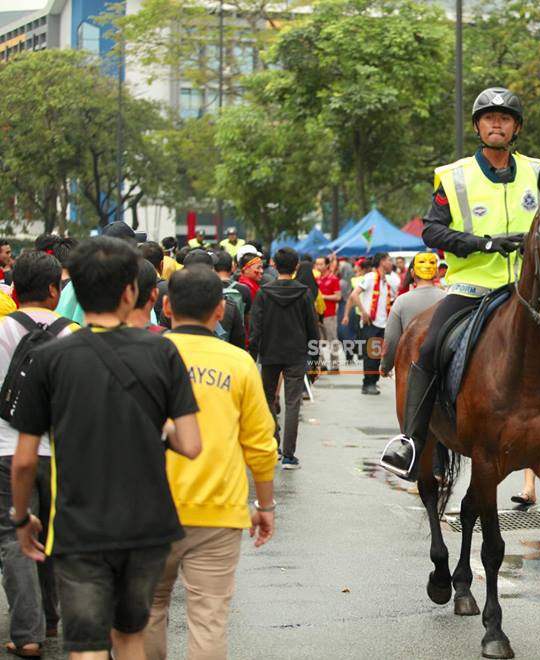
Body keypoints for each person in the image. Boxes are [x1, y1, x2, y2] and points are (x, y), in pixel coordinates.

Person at [378, 86, 540, 484]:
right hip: (470, 288)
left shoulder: (538, 172)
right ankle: (411, 439)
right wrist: (484, 244)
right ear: (478, 126)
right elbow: (433, 231)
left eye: (505, 118)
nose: (497, 123)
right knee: (428, 343)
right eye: (489, 118)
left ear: (516, 129)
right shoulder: (454, 176)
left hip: (529, 293)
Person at [9, 237, 201, 660]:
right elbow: (191, 444)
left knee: (87, 647)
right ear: (131, 291)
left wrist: (22, 518)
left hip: (80, 527)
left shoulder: (51, 359)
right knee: (129, 637)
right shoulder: (162, 351)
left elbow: (24, 461)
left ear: (72, 286)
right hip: (148, 525)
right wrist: (161, 427)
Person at [146, 266, 276, 660]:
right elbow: (260, 445)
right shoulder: (238, 363)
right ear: (221, 310)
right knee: (209, 619)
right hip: (219, 510)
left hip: (147, 509)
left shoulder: (143, 354)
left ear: (166, 306)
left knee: (147, 612)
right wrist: (265, 505)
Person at [0, 252, 76, 658]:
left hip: (5, 450)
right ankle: (52, 618)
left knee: (16, 534)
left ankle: (27, 634)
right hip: (58, 452)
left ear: (14, 289)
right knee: (51, 533)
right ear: (53, 290)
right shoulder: (74, 335)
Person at [249, 247, 320, 469]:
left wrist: (253, 354)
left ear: (274, 265)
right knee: (292, 403)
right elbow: (312, 328)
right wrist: (315, 358)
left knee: (268, 399)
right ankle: (289, 455)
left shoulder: (263, 293)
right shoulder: (305, 293)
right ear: (296, 266)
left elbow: (256, 328)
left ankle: (273, 442)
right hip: (296, 354)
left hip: (269, 352)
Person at [342, 252, 398, 395]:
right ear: (382, 262)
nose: (391, 263)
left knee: (378, 355)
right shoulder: (370, 277)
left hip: (384, 322)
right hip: (370, 322)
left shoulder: (389, 280)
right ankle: (368, 384)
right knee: (370, 354)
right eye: (389, 260)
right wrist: (364, 311)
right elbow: (354, 295)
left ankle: (373, 381)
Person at [381, 252, 446, 376]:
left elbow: (391, 341)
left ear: (412, 273)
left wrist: (386, 366)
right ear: (436, 273)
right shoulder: (448, 299)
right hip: (442, 368)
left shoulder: (401, 301)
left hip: (410, 369)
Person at [316, 256, 342, 372]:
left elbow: (338, 296)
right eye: (317, 264)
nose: (319, 266)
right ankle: (321, 364)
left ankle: (335, 365)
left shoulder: (333, 279)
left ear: (327, 265)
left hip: (329, 314)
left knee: (332, 340)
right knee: (318, 340)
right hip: (318, 314)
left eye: (321, 264)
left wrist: (323, 297)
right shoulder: (316, 279)